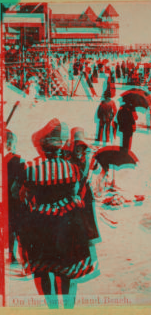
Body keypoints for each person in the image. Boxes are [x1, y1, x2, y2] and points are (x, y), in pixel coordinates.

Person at [21, 119, 98, 308]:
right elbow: (74, 195)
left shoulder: (31, 168)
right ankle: (68, 309)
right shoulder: (71, 168)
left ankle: (52, 309)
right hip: (67, 223)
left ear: (42, 146)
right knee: (67, 270)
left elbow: (23, 196)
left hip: (41, 224)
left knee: (43, 269)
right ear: (61, 146)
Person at [4, 129, 25, 265]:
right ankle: (15, 256)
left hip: (6, 200)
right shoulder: (19, 160)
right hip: (16, 200)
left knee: (10, 227)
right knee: (18, 228)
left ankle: (11, 255)